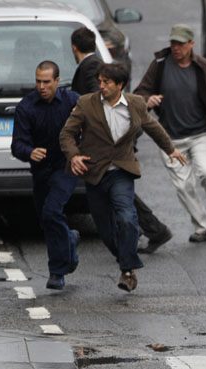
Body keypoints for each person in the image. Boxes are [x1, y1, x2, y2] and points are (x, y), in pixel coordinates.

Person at [60, 63, 186, 292]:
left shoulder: (136, 103)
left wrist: (171, 149)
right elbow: (67, 134)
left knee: (127, 217)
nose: (102, 86)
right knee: (106, 231)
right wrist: (74, 156)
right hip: (95, 171)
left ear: (120, 85)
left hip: (121, 169)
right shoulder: (86, 103)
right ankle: (125, 259)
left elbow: (152, 126)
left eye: (107, 82)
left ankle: (127, 271)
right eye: (100, 81)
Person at [134, 23, 206, 243]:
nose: (176, 48)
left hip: (201, 133)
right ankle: (202, 227)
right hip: (170, 138)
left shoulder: (203, 67)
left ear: (191, 44)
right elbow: (140, 93)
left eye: (181, 44)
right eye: (173, 43)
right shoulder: (160, 65)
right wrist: (148, 100)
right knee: (184, 186)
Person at [71, 26, 173, 254]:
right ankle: (152, 229)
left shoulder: (91, 68)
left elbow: (95, 102)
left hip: (111, 139)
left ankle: (143, 230)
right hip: (110, 139)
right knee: (115, 187)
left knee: (112, 186)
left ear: (73, 48)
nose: (102, 84)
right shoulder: (93, 65)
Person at [11, 61, 80, 290]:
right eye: (38, 81)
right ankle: (69, 239)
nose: (42, 86)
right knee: (47, 220)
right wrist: (30, 151)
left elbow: (93, 124)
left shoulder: (73, 101)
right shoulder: (26, 107)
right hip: (41, 173)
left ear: (57, 82)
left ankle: (57, 272)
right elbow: (17, 145)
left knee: (52, 211)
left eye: (47, 82)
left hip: (66, 167)